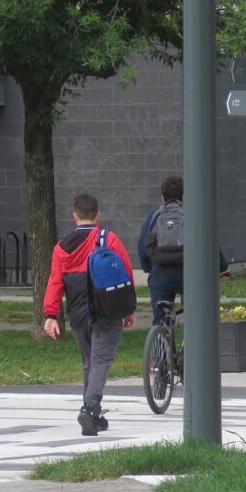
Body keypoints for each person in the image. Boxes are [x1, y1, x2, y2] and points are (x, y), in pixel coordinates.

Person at [44, 193, 136, 436]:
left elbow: (55, 281)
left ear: (74, 216)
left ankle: (93, 415)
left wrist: (51, 315)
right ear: (98, 214)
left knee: (89, 362)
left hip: (76, 313)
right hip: (106, 309)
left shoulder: (61, 247)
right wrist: (129, 309)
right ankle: (90, 407)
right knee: (100, 361)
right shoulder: (108, 239)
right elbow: (125, 272)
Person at [137, 175, 230, 326]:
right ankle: (191, 345)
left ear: (162, 198)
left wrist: (148, 268)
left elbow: (142, 244)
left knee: (159, 320)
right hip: (188, 276)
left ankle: (161, 342)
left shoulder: (154, 215)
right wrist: (222, 268)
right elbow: (210, 242)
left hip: (160, 274)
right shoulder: (194, 215)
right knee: (195, 319)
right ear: (184, 197)